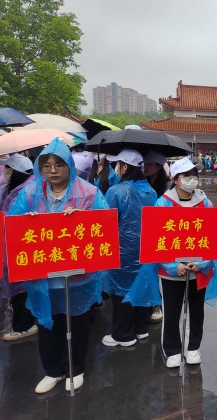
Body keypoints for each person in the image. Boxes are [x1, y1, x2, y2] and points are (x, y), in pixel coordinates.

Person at [9, 138, 109, 393]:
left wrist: (83, 219)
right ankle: (52, 370)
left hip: (78, 278)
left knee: (77, 324)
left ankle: (75, 369)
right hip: (43, 278)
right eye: (47, 165)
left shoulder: (89, 193)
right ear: (40, 167)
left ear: (69, 166)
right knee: (47, 324)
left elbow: (104, 227)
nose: (53, 170)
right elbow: (13, 226)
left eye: (59, 164)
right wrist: (26, 222)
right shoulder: (29, 194)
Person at [152, 157, 217, 367]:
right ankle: (172, 349)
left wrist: (204, 263)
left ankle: (193, 347)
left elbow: (213, 235)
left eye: (194, 175)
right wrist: (172, 266)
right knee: (172, 311)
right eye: (186, 176)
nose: (192, 179)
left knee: (196, 311)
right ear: (175, 179)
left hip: (198, 270)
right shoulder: (163, 203)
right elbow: (155, 239)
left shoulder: (205, 202)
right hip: (172, 273)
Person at [101, 150, 157, 348]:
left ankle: (123, 335)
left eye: (118, 164)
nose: (116, 168)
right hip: (145, 251)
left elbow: (106, 222)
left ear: (125, 167)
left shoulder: (116, 191)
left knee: (121, 292)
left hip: (123, 252)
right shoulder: (150, 191)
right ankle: (141, 329)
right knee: (141, 287)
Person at [0, 154, 36, 341]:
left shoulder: (26, 192)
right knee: (18, 287)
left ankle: (24, 326)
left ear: (16, 172)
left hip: (20, 247)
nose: (5, 172)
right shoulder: (11, 189)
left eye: (8, 168)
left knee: (22, 287)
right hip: (10, 246)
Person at [142, 150, 172, 324]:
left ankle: (156, 304)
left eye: (150, 164)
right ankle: (150, 302)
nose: (146, 167)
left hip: (163, 231)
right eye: (144, 164)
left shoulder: (168, 186)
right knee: (149, 270)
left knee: (161, 268)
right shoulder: (141, 183)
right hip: (147, 230)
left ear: (159, 166)